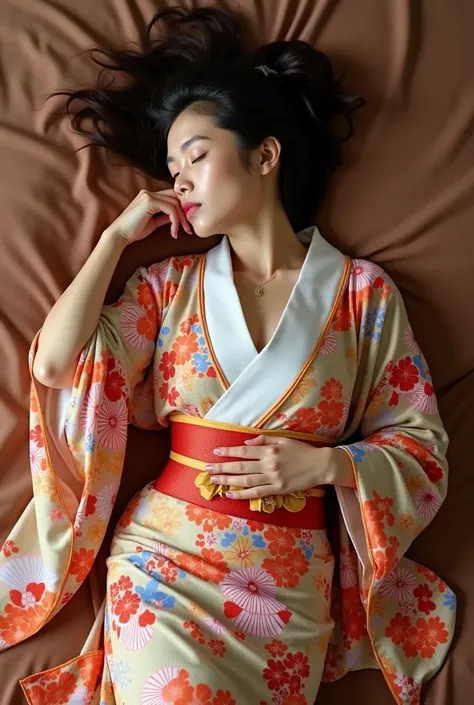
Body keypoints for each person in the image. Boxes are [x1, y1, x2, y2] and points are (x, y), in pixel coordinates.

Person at [0, 6, 455, 705]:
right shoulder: (168, 287)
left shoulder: (362, 295)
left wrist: (329, 462)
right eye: (172, 166)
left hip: (289, 595)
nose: (179, 178)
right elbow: (57, 365)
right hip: (165, 565)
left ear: (265, 155)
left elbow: (422, 446)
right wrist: (116, 237)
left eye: (198, 156)